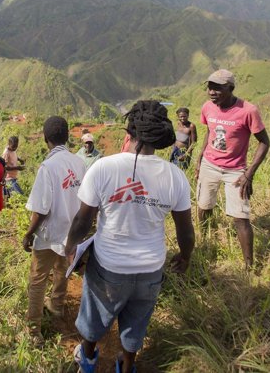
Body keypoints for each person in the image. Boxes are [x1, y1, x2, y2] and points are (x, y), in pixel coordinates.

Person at [65, 100, 195, 373]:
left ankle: (88, 360)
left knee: (94, 319)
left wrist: (70, 247)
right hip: (150, 268)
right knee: (136, 322)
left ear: (130, 132)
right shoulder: (175, 177)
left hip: (109, 266)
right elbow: (185, 230)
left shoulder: (103, 168)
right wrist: (185, 256)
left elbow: (82, 220)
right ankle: (126, 367)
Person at [195, 69, 270, 269]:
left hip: (236, 171)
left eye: (218, 88)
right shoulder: (207, 108)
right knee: (204, 207)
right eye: (210, 87)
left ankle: (249, 266)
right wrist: (200, 158)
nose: (211, 92)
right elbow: (209, 132)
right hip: (209, 165)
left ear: (231, 88)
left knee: (241, 217)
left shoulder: (248, 110)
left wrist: (249, 173)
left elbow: (264, 142)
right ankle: (206, 242)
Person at [22, 116, 86, 342]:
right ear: (67, 137)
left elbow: (40, 209)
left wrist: (29, 234)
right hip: (72, 233)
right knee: (62, 271)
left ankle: (34, 330)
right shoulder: (80, 163)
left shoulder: (48, 167)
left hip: (50, 234)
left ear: (45, 138)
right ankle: (57, 305)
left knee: (38, 279)